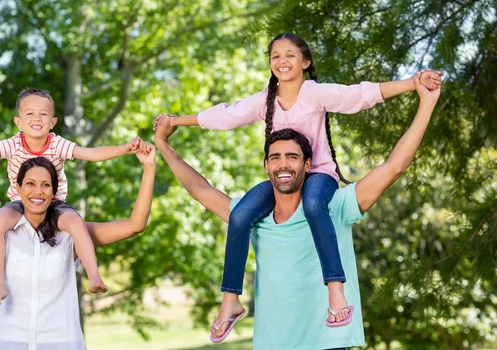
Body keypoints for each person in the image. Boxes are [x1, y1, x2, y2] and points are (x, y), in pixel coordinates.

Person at [153, 32, 443, 333]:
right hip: (285, 180)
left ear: (306, 61)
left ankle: (335, 291)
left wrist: (413, 83)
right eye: (275, 56)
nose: (282, 60)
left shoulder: (314, 93)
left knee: (315, 204)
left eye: (290, 54)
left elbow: (358, 95)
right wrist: (175, 122)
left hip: (318, 176)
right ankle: (230, 300)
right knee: (239, 216)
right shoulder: (265, 100)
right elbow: (225, 116)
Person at [0, 131, 156, 349]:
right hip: (11, 342)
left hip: (62, 342)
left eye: (45, 185)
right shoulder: (0, 234)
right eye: (30, 184)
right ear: (18, 189)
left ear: (54, 192)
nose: (37, 192)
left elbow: (135, 226)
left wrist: (148, 167)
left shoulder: (72, 233)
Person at [0, 88, 143, 310]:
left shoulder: (57, 144)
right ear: (18, 121)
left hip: (54, 203)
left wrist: (124, 148)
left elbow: (91, 154)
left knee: (75, 222)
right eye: (30, 114)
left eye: (43, 114)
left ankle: (93, 276)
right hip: (19, 204)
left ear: (52, 122)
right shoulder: (13, 145)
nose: (36, 118)